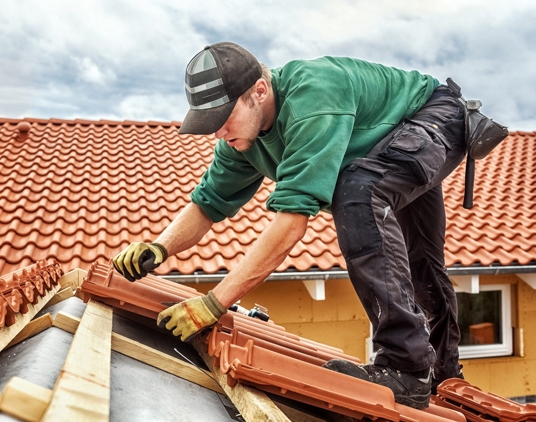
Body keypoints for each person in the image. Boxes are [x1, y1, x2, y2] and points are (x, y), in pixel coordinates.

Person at [113, 41, 465, 410]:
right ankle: (444, 374)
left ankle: (406, 366)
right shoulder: (242, 140)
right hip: (390, 142)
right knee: (420, 258)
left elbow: (291, 224)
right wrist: (159, 247)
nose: (217, 132)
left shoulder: (312, 97)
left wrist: (213, 304)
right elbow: (207, 204)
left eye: (222, 118)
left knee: (358, 193)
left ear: (259, 92)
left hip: (434, 116)